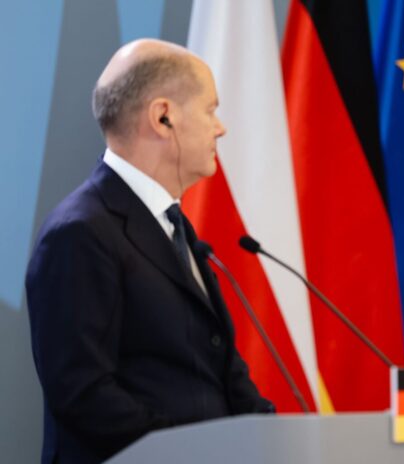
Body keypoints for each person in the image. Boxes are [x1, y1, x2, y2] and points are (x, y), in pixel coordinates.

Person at [25, 39, 273, 464]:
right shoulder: (78, 234)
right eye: (210, 110)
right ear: (163, 117)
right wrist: (199, 453)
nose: (221, 127)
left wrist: (278, 438)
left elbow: (223, 373)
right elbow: (84, 395)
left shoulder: (174, 226)